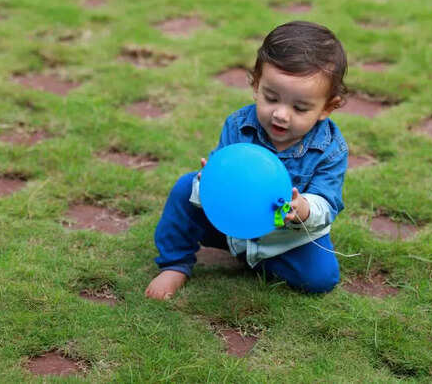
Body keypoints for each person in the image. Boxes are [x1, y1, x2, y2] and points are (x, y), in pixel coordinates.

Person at [145, 21, 349, 300]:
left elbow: (328, 203)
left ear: (327, 107)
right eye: (271, 97)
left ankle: (262, 258)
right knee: (185, 188)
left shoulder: (331, 149)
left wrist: (303, 210)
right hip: (232, 224)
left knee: (321, 279)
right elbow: (224, 175)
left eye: (299, 107)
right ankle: (175, 264)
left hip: (286, 238)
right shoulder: (240, 125)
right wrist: (211, 181)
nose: (281, 114)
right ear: (255, 85)